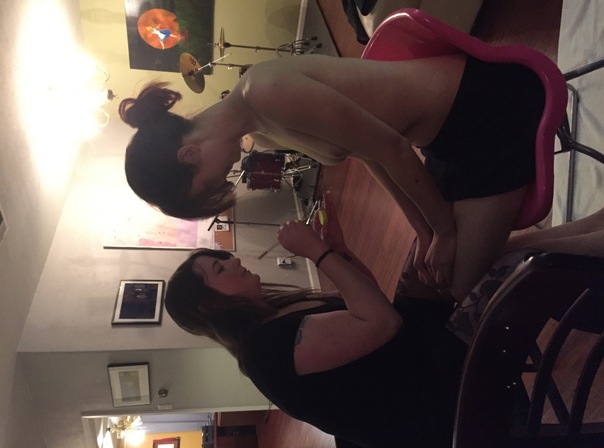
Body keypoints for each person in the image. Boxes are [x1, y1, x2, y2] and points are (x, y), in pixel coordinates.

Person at [164, 192, 604, 448]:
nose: (233, 260)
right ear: (210, 306)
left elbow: (368, 301)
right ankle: (585, 256)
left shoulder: (274, 315)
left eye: (222, 258)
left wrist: (339, 250)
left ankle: (592, 231)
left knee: (445, 249)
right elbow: (382, 323)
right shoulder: (266, 353)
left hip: (422, 356)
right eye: (220, 269)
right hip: (450, 400)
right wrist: (318, 254)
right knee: (507, 264)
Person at [119, 51, 548, 301]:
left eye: (210, 183)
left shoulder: (268, 93)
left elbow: (393, 150)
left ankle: (577, 248)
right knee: (438, 277)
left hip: (488, 110)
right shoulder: (260, 131)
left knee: (461, 285)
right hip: (446, 141)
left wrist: (445, 232)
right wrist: (425, 231)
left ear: (190, 154)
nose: (225, 179)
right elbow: (372, 154)